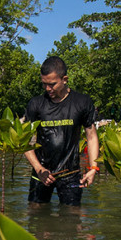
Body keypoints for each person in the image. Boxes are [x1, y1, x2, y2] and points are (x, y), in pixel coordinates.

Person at [23, 56, 100, 206]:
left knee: (72, 217)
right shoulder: (36, 104)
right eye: (44, 84)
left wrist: (93, 168)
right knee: (35, 214)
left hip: (70, 174)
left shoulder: (82, 102)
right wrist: (39, 169)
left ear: (64, 79)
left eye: (52, 84)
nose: (47, 89)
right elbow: (24, 141)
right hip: (41, 172)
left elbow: (91, 137)